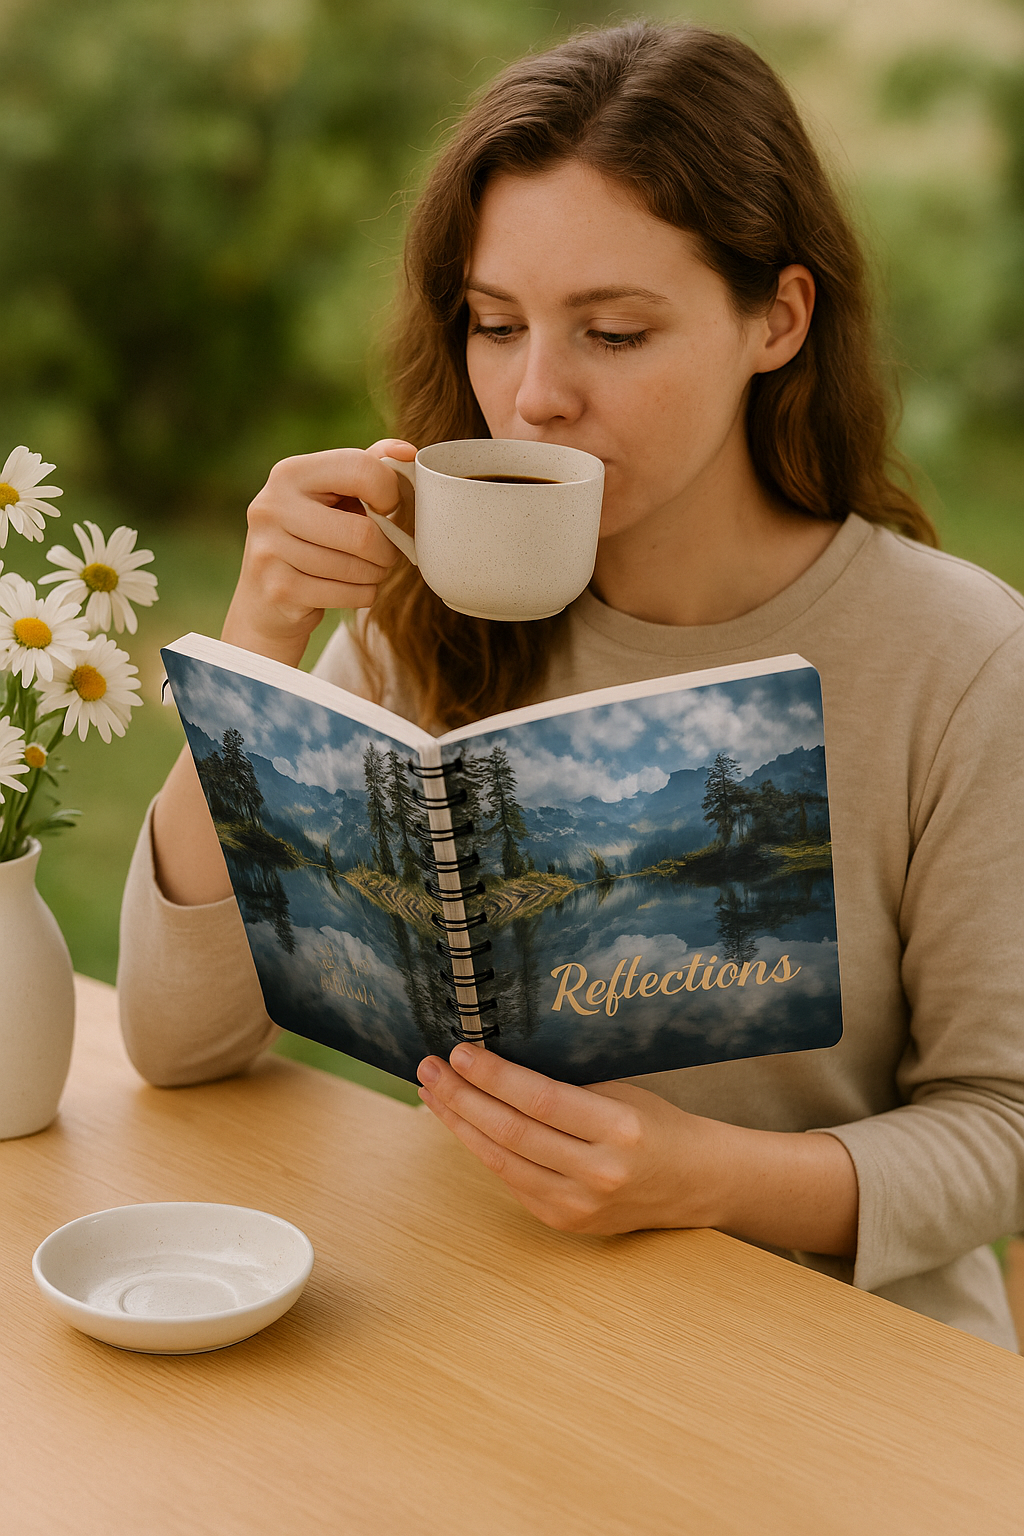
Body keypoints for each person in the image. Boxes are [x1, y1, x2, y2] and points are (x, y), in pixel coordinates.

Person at [118, 21, 1024, 1348]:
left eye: (612, 332)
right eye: (495, 324)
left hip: (845, 1365)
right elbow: (175, 1041)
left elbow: (1002, 1126)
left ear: (777, 317)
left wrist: (707, 1178)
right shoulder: (432, 615)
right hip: (497, 1327)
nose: (533, 396)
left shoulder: (961, 658)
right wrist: (257, 647)